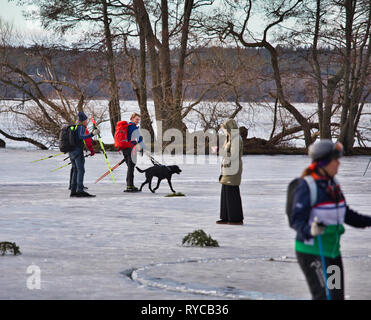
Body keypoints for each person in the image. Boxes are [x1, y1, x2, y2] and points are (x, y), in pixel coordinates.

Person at [291, 139, 371, 300]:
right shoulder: (307, 186)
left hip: (333, 251)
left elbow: (346, 214)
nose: (338, 164)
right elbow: (296, 220)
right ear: (324, 163)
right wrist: (310, 230)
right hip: (312, 251)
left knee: (336, 296)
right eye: (336, 160)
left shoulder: (333, 184)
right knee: (324, 296)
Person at [216, 118, 244, 225]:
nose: (224, 131)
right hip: (227, 168)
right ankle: (226, 217)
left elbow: (234, 155)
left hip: (233, 168)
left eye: (225, 129)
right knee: (225, 192)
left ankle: (236, 219)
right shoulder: (231, 138)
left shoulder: (236, 139)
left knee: (232, 193)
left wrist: (222, 152)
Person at [69, 111, 99, 197]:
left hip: (71, 152)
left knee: (75, 170)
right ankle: (80, 190)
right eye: (86, 120)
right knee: (81, 170)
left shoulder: (74, 127)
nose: (87, 121)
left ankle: (73, 190)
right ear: (83, 120)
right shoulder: (81, 127)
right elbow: (81, 136)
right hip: (78, 152)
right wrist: (92, 134)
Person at [122, 112, 146, 192]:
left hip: (125, 149)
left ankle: (130, 185)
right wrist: (143, 148)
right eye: (136, 119)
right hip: (130, 150)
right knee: (131, 168)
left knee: (130, 167)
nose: (137, 121)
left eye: (138, 120)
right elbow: (139, 139)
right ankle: (129, 186)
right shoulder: (133, 127)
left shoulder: (128, 127)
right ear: (132, 119)